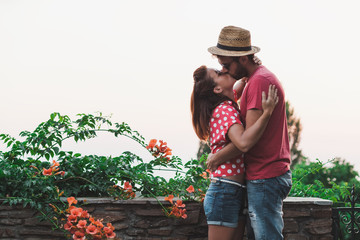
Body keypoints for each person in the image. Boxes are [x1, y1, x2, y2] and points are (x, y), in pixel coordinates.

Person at [207, 25, 292, 240]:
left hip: (265, 174)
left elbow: (246, 141)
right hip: (264, 174)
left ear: (243, 59)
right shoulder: (253, 80)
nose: (224, 70)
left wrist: (216, 157)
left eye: (226, 65)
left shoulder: (259, 82)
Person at [191, 65, 279, 240]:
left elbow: (237, 86)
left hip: (233, 190)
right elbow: (243, 142)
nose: (223, 70)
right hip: (225, 190)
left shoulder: (228, 102)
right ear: (217, 89)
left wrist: (244, 73)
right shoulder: (224, 110)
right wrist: (267, 114)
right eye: (218, 73)